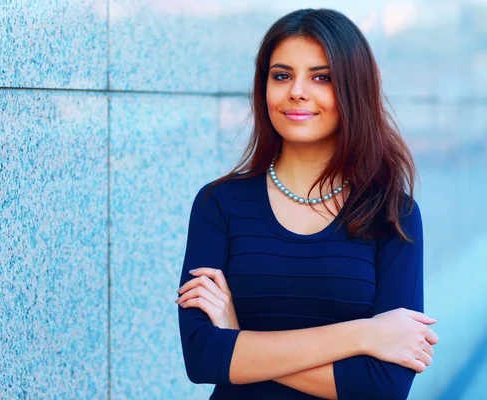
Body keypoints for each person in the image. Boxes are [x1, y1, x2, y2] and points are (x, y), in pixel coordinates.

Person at [175, 8, 439, 400]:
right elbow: (203, 359)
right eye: (282, 75)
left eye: (322, 77)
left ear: (353, 89)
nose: (297, 91)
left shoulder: (392, 213)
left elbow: (384, 386)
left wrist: (238, 341)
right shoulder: (219, 204)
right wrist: (365, 335)